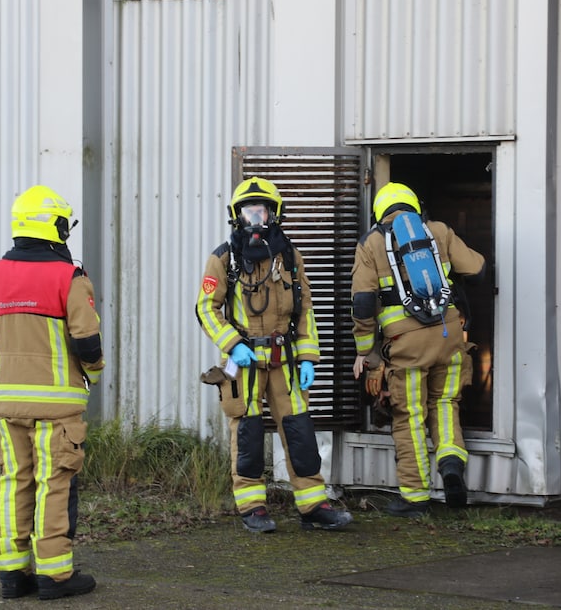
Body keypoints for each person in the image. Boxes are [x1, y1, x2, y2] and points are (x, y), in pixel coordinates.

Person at [0, 185, 103, 600]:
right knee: (53, 483)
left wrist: (5, 369)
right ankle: (55, 575)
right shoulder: (69, 277)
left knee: (14, 483)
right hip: (58, 408)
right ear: (55, 227)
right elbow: (88, 343)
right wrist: (91, 377)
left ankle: (11, 574)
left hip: (9, 406)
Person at [195, 176, 353, 533]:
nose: (255, 217)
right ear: (237, 215)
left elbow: (305, 309)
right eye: (248, 211)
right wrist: (232, 344)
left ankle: (313, 505)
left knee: (299, 430)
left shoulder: (289, 256)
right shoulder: (223, 258)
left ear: (274, 213)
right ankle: (253, 507)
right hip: (245, 361)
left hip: (286, 360)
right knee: (248, 432)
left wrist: (309, 356)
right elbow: (207, 308)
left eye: (261, 210)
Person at [349, 182, 485, 516]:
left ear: (379, 213)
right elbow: (478, 269)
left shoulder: (372, 243)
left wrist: (366, 351)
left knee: (409, 416)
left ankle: (415, 497)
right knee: (445, 404)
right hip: (449, 336)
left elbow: (363, 302)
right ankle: (451, 465)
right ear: (415, 207)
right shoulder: (438, 231)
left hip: (405, 346)